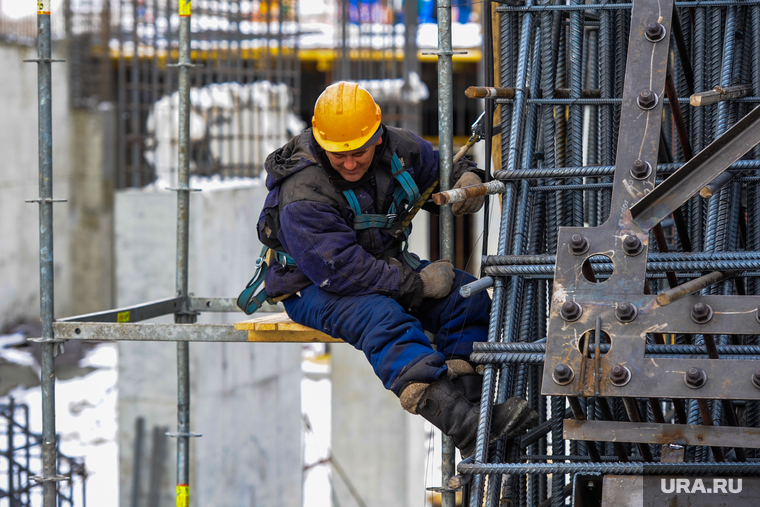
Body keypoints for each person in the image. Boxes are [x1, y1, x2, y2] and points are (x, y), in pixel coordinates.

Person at [256, 82, 537, 457]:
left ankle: (473, 408)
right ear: (322, 144)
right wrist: (416, 284)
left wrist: (465, 178)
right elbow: (341, 272)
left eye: (359, 152)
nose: (351, 163)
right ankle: (462, 425)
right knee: (381, 317)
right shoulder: (303, 193)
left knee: (464, 297)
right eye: (339, 156)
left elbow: (435, 169)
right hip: (312, 284)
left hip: (377, 267)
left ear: (377, 135)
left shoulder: (399, 148)